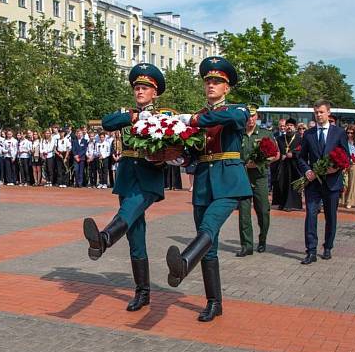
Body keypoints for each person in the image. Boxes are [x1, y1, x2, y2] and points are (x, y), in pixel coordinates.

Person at [168, 57, 252, 322]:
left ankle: (184, 262)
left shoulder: (237, 110)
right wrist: (176, 157)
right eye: (208, 81)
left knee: (209, 226)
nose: (211, 85)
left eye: (217, 81)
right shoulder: (199, 117)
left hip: (229, 182)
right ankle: (214, 302)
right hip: (204, 181)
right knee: (209, 246)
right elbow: (193, 153)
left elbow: (228, 118)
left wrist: (192, 119)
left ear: (227, 88)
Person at [84, 63, 169, 313]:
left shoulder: (164, 114)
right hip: (127, 177)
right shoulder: (128, 114)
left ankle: (104, 238)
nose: (140, 92)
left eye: (145, 88)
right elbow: (107, 122)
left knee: (129, 212)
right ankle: (142, 292)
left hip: (148, 177)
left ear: (155, 92)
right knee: (135, 234)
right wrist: (133, 116)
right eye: (137, 88)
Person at [296, 100, 349, 265]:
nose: (318, 115)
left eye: (321, 112)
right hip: (313, 184)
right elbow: (301, 157)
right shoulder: (309, 134)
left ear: (328, 112)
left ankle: (327, 247)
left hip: (332, 182)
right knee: (311, 215)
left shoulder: (339, 133)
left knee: (330, 217)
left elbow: (345, 156)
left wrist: (336, 168)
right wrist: (307, 171)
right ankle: (310, 251)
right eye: (316, 112)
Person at [236, 103, 279, 256]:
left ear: (257, 117)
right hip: (242, 178)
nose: (250, 120)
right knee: (244, 212)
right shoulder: (237, 134)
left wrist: (261, 162)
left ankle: (262, 239)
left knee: (263, 211)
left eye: (253, 116)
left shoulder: (265, 134)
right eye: (248, 117)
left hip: (260, 177)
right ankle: (246, 245)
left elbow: (276, 155)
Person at [274, 119, 303, 211]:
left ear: (294, 127)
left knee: (293, 184)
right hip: (282, 165)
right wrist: (280, 154)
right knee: (282, 184)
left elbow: (302, 151)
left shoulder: (300, 139)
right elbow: (276, 150)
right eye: (287, 125)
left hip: (294, 166)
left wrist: (293, 154)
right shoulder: (280, 139)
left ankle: (292, 204)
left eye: (291, 125)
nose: (289, 127)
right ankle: (282, 204)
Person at [341, 126, 355, 209]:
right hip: (344, 163)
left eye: (351, 133)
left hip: (354, 163)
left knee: (353, 182)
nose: (349, 134)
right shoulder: (344, 141)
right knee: (345, 182)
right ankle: (343, 200)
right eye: (348, 133)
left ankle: (350, 201)